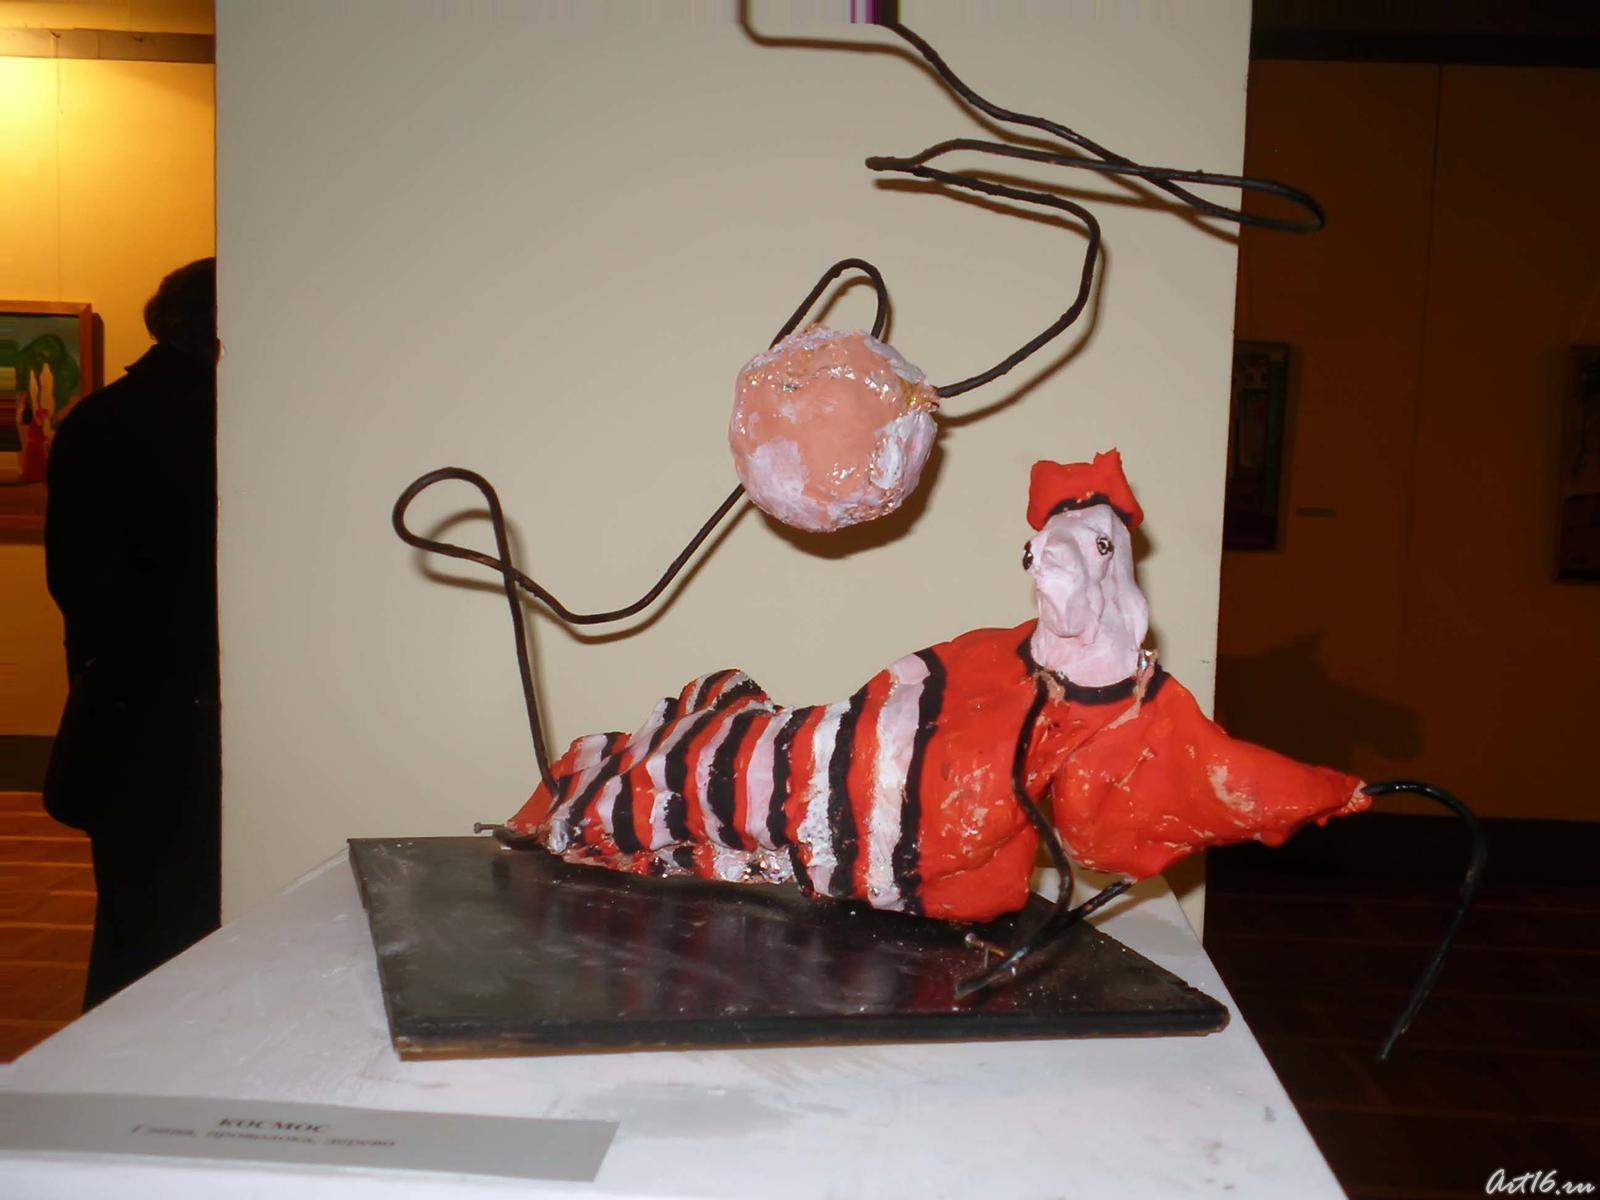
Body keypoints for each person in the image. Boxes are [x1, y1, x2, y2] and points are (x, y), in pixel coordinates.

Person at [43, 258, 220, 1009]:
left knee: (130, 923)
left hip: (121, 709)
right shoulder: (224, 419)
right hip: (197, 714)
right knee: (197, 922)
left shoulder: (97, 418)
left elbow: (73, 581)